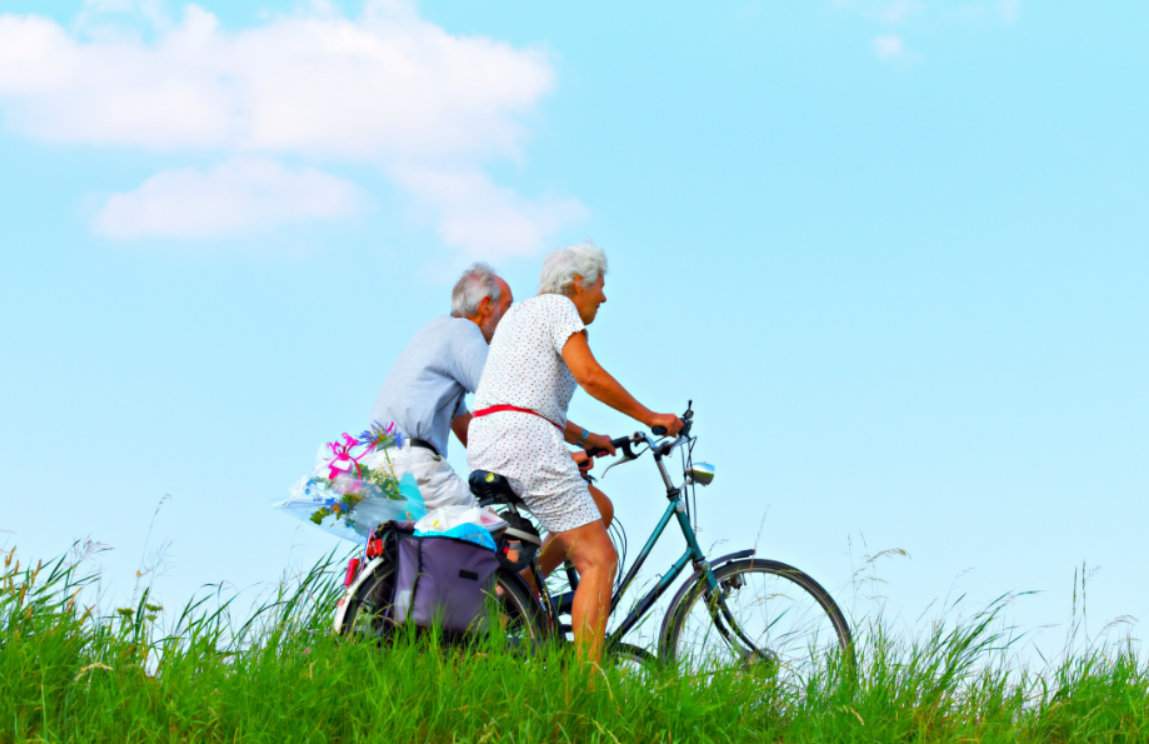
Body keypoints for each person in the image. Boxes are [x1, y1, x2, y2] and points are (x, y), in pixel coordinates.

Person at [466, 243, 683, 662]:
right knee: (599, 559)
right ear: (578, 283)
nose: (603, 296)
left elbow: (524, 396)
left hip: (492, 439)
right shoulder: (560, 308)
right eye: (600, 285)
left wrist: (587, 439)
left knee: (597, 507)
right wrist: (649, 416)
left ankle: (520, 597)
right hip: (525, 441)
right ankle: (584, 691)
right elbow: (590, 375)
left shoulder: (521, 315)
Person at [369, 263, 513, 510]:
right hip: (415, 466)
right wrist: (557, 455)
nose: (511, 319)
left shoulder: (435, 332)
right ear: (486, 305)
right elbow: (506, 398)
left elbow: (464, 426)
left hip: (380, 466)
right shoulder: (464, 331)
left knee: (421, 545)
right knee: (490, 534)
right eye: (508, 307)